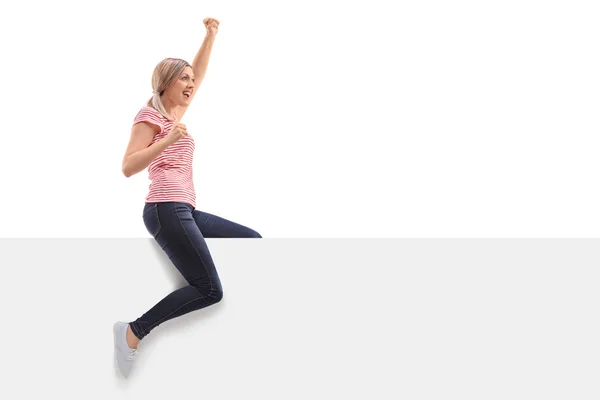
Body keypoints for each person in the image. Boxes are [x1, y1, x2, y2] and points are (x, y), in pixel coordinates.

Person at [114, 17, 262, 379]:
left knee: (254, 241)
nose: (191, 85)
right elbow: (127, 166)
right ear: (165, 84)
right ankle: (134, 331)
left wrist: (210, 35)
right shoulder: (150, 116)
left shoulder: (176, 112)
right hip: (163, 208)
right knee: (210, 289)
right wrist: (166, 141)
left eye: (192, 82)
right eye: (184, 80)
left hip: (185, 209)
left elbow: (200, 70)